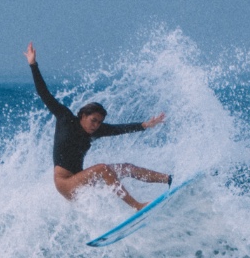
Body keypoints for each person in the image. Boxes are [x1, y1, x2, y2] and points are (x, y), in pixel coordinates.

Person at [25, 42, 169, 210]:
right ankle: (137, 206)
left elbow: (120, 129)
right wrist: (33, 65)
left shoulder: (96, 130)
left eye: (99, 122)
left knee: (126, 168)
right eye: (93, 120)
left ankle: (169, 179)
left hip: (80, 179)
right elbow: (45, 94)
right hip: (65, 184)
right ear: (83, 116)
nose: (96, 125)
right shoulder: (65, 119)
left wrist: (145, 125)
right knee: (102, 169)